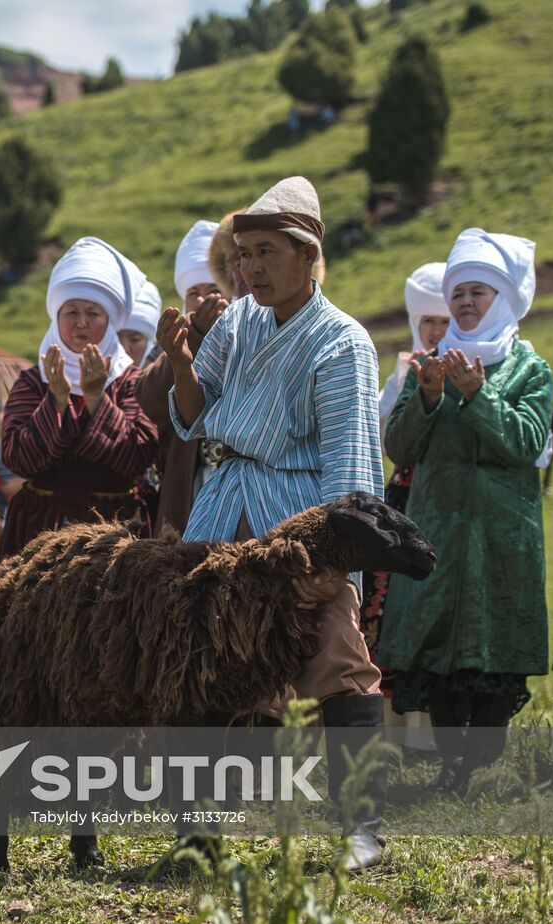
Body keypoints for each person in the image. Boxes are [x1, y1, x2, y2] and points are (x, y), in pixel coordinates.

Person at [158, 176, 387, 870]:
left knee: (334, 660)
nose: (250, 268)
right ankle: (198, 836)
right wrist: (179, 361)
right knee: (199, 661)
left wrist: (325, 555)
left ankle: (363, 827)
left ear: (307, 254)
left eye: (265, 252)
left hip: (298, 519)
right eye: (242, 255)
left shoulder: (343, 343)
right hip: (222, 506)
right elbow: (196, 416)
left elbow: (349, 465)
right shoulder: (237, 322)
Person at [378, 229, 553, 795]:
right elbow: (400, 449)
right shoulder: (427, 365)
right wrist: (427, 399)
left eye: (478, 292)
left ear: (502, 298)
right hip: (435, 531)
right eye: (458, 294)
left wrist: (479, 397)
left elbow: (527, 442)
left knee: (490, 648)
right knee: (438, 650)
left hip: (501, 535)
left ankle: (478, 767)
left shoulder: (531, 370)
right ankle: (452, 767)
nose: (465, 303)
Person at [0, 237, 158, 557]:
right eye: (71, 311)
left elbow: (138, 458)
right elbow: (17, 458)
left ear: (110, 320)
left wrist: (97, 397)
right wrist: (56, 399)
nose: (81, 322)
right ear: (56, 319)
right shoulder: (34, 381)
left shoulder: (130, 381)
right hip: (39, 529)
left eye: (93, 313)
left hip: (114, 532)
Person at [359, 263, 450, 743]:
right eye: (429, 321)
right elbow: (380, 436)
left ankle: (436, 729)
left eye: (444, 320)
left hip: (446, 501)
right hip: (404, 498)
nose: (436, 330)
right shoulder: (403, 370)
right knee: (390, 609)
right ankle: (398, 730)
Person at [134, 220, 228, 535]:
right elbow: (147, 402)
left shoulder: (252, 333)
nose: (203, 302)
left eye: (214, 291)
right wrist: (195, 338)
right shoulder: (168, 344)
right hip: (189, 487)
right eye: (194, 293)